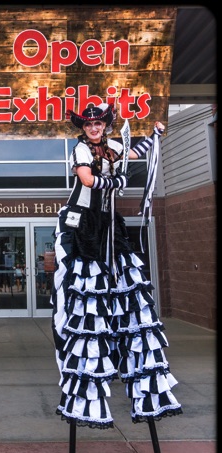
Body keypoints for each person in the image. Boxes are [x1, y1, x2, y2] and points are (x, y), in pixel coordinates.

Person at [51, 103, 182, 434]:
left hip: (108, 222)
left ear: (105, 125)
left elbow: (134, 154)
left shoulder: (113, 147)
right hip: (83, 222)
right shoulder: (81, 148)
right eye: (89, 124)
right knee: (83, 283)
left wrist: (153, 135)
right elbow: (87, 178)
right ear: (83, 128)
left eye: (98, 123)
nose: (94, 128)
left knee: (124, 275)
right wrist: (115, 181)